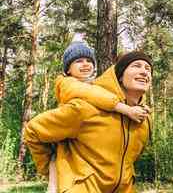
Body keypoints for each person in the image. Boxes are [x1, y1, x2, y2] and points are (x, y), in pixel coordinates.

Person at [24, 50, 153, 193]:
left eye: (148, 68)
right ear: (120, 76)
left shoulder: (144, 121)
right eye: (136, 66)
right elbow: (33, 130)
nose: (144, 71)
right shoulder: (85, 109)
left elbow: (129, 162)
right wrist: (52, 169)